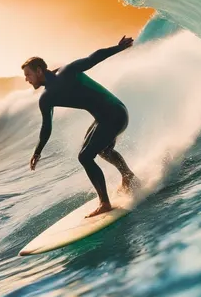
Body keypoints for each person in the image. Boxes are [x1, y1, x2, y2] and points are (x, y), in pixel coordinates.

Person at [22, 36, 140, 217]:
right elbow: (47, 127)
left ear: (39, 71)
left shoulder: (67, 72)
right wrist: (38, 152)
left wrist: (118, 48)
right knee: (101, 151)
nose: (27, 80)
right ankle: (129, 177)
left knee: (85, 157)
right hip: (106, 118)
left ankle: (105, 203)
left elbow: (93, 58)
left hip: (115, 114)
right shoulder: (46, 99)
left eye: (28, 75)